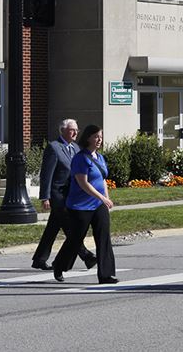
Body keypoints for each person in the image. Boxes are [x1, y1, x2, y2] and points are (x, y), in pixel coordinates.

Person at [51, 124, 118, 284]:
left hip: (98, 205)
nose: (99, 140)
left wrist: (106, 199)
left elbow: (102, 179)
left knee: (103, 238)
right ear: (88, 138)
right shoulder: (80, 158)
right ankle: (59, 264)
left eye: (100, 137)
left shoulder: (100, 158)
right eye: (96, 136)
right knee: (75, 238)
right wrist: (102, 198)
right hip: (81, 206)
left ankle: (106, 275)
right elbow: (83, 183)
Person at [31, 118, 97, 271]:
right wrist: (45, 197)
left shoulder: (75, 148)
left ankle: (39, 259)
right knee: (70, 227)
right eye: (72, 130)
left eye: (77, 129)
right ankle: (86, 256)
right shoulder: (54, 148)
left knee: (53, 227)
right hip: (57, 195)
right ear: (63, 131)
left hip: (71, 194)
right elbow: (46, 175)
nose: (76, 132)